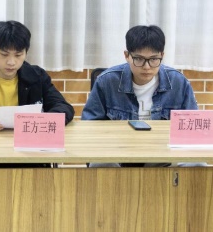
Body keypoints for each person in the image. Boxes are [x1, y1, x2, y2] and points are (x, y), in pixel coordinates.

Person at [82, 25, 199, 167]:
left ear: (162, 55)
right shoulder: (107, 81)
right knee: (100, 164)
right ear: (127, 55)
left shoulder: (178, 82)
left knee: (196, 164)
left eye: (154, 59)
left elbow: (192, 130)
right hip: (119, 153)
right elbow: (89, 125)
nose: (147, 67)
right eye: (139, 59)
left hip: (163, 154)